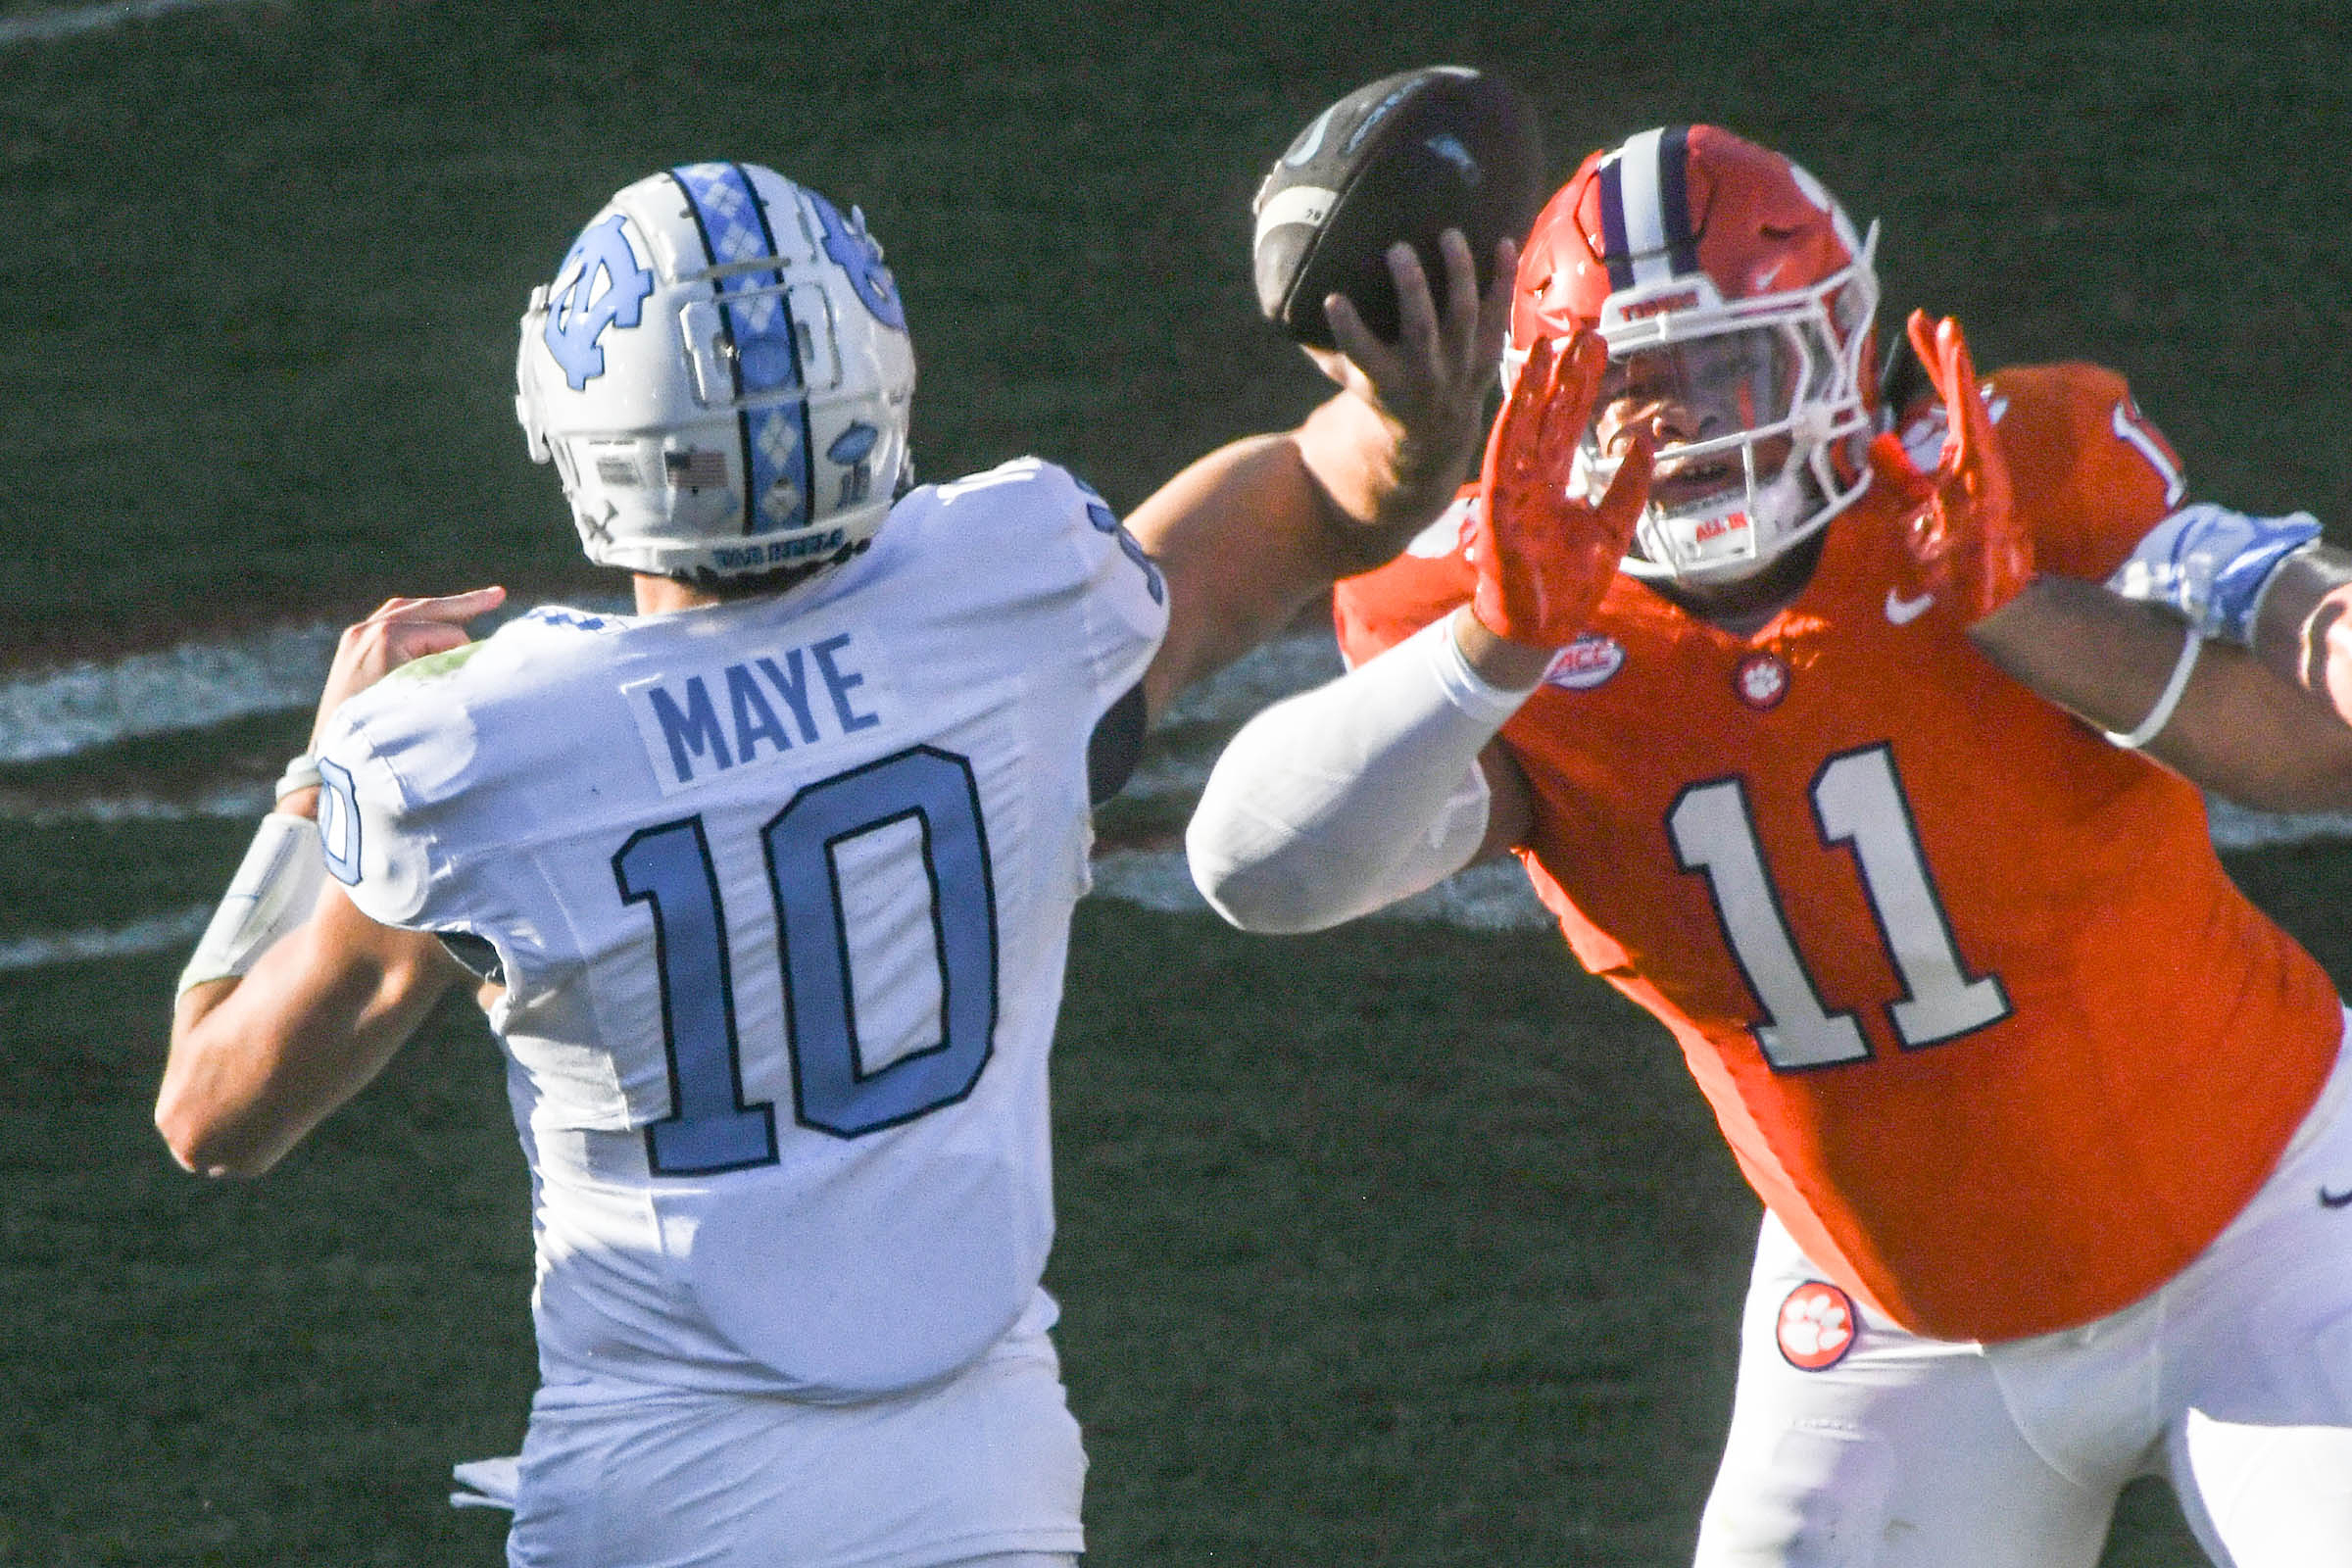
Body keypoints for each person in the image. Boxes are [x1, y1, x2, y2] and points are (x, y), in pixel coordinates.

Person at [154, 160, 1509, 1566]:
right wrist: (1415, 413)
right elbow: (1317, 503)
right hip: (981, 1467)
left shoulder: (476, 754)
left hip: (656, 1482)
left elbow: (213, 1112)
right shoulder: (1020, 594)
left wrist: (318, 786)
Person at [1185, 123, 2352, 1566]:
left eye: (1734, 371)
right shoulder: (1496, 602)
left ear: (1842, 340)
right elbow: (1256, 873)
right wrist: (1497, 641)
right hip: (1891, 1311)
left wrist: (2030, 618)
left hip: (2271, 1231)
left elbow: (2322, 750)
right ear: (1545, 405)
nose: (1700, 439)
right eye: (1640, 398)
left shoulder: (1998, 473)